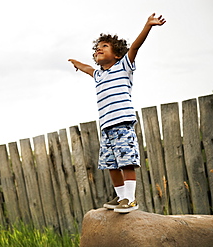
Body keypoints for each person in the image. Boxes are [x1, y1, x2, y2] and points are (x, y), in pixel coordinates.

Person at [68, 13, 166, 213]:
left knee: (126, 161)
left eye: (104, 46)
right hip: (106, 128)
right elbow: (88, 68)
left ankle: (130, 199)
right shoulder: (99, 75)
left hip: (122, 124)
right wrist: (77, 63)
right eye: (97, 48)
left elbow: (135, 47)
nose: (98, 49)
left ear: (117, 54)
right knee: (110, 164)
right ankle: (121, 197)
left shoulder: (124, 66)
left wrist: (148, 25)